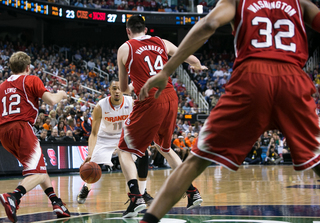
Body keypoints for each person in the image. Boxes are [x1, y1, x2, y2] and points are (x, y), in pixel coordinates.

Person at [138, 0, 320, 221]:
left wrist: (167, 70)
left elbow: (209, 23)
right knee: (317, 158)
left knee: (196, 161)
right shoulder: (300, 3)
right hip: (293, 79)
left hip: (252, 77)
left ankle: (147, 220)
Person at [117, 15, 207, 218]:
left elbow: (123, 89)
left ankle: (135, 198)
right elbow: (190, 57)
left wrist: (133, 85)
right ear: (146, 29)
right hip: (170, 96)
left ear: (128, 31)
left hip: (149, 99)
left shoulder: (125, 48)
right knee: (165, 148)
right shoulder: (161, 42)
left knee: (124, 150)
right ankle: (192, 192)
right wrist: (198, 65)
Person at [0, 52, 70, 223]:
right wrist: (61, 93)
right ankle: (13, 197)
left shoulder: (1, 86)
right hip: (22, 127)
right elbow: (52, 100)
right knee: (37, 172)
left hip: (4, 132)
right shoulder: (31, 79)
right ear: (27, 67)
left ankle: (56, 202)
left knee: (40, 168)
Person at [77, 80, 154, 206]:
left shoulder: (132, 103)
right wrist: (90, 153)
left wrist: (143, 142)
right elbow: (94, 133)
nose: (117, 91)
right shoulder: (100, 106)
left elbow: (140, 123)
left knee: (144, 154)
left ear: (123, 90)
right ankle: (86, 187)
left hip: (125, 136)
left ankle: (143, 191)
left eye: (119, 88)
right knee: (94, 166)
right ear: (110, 90)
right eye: (114, 88)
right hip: (105, 137)